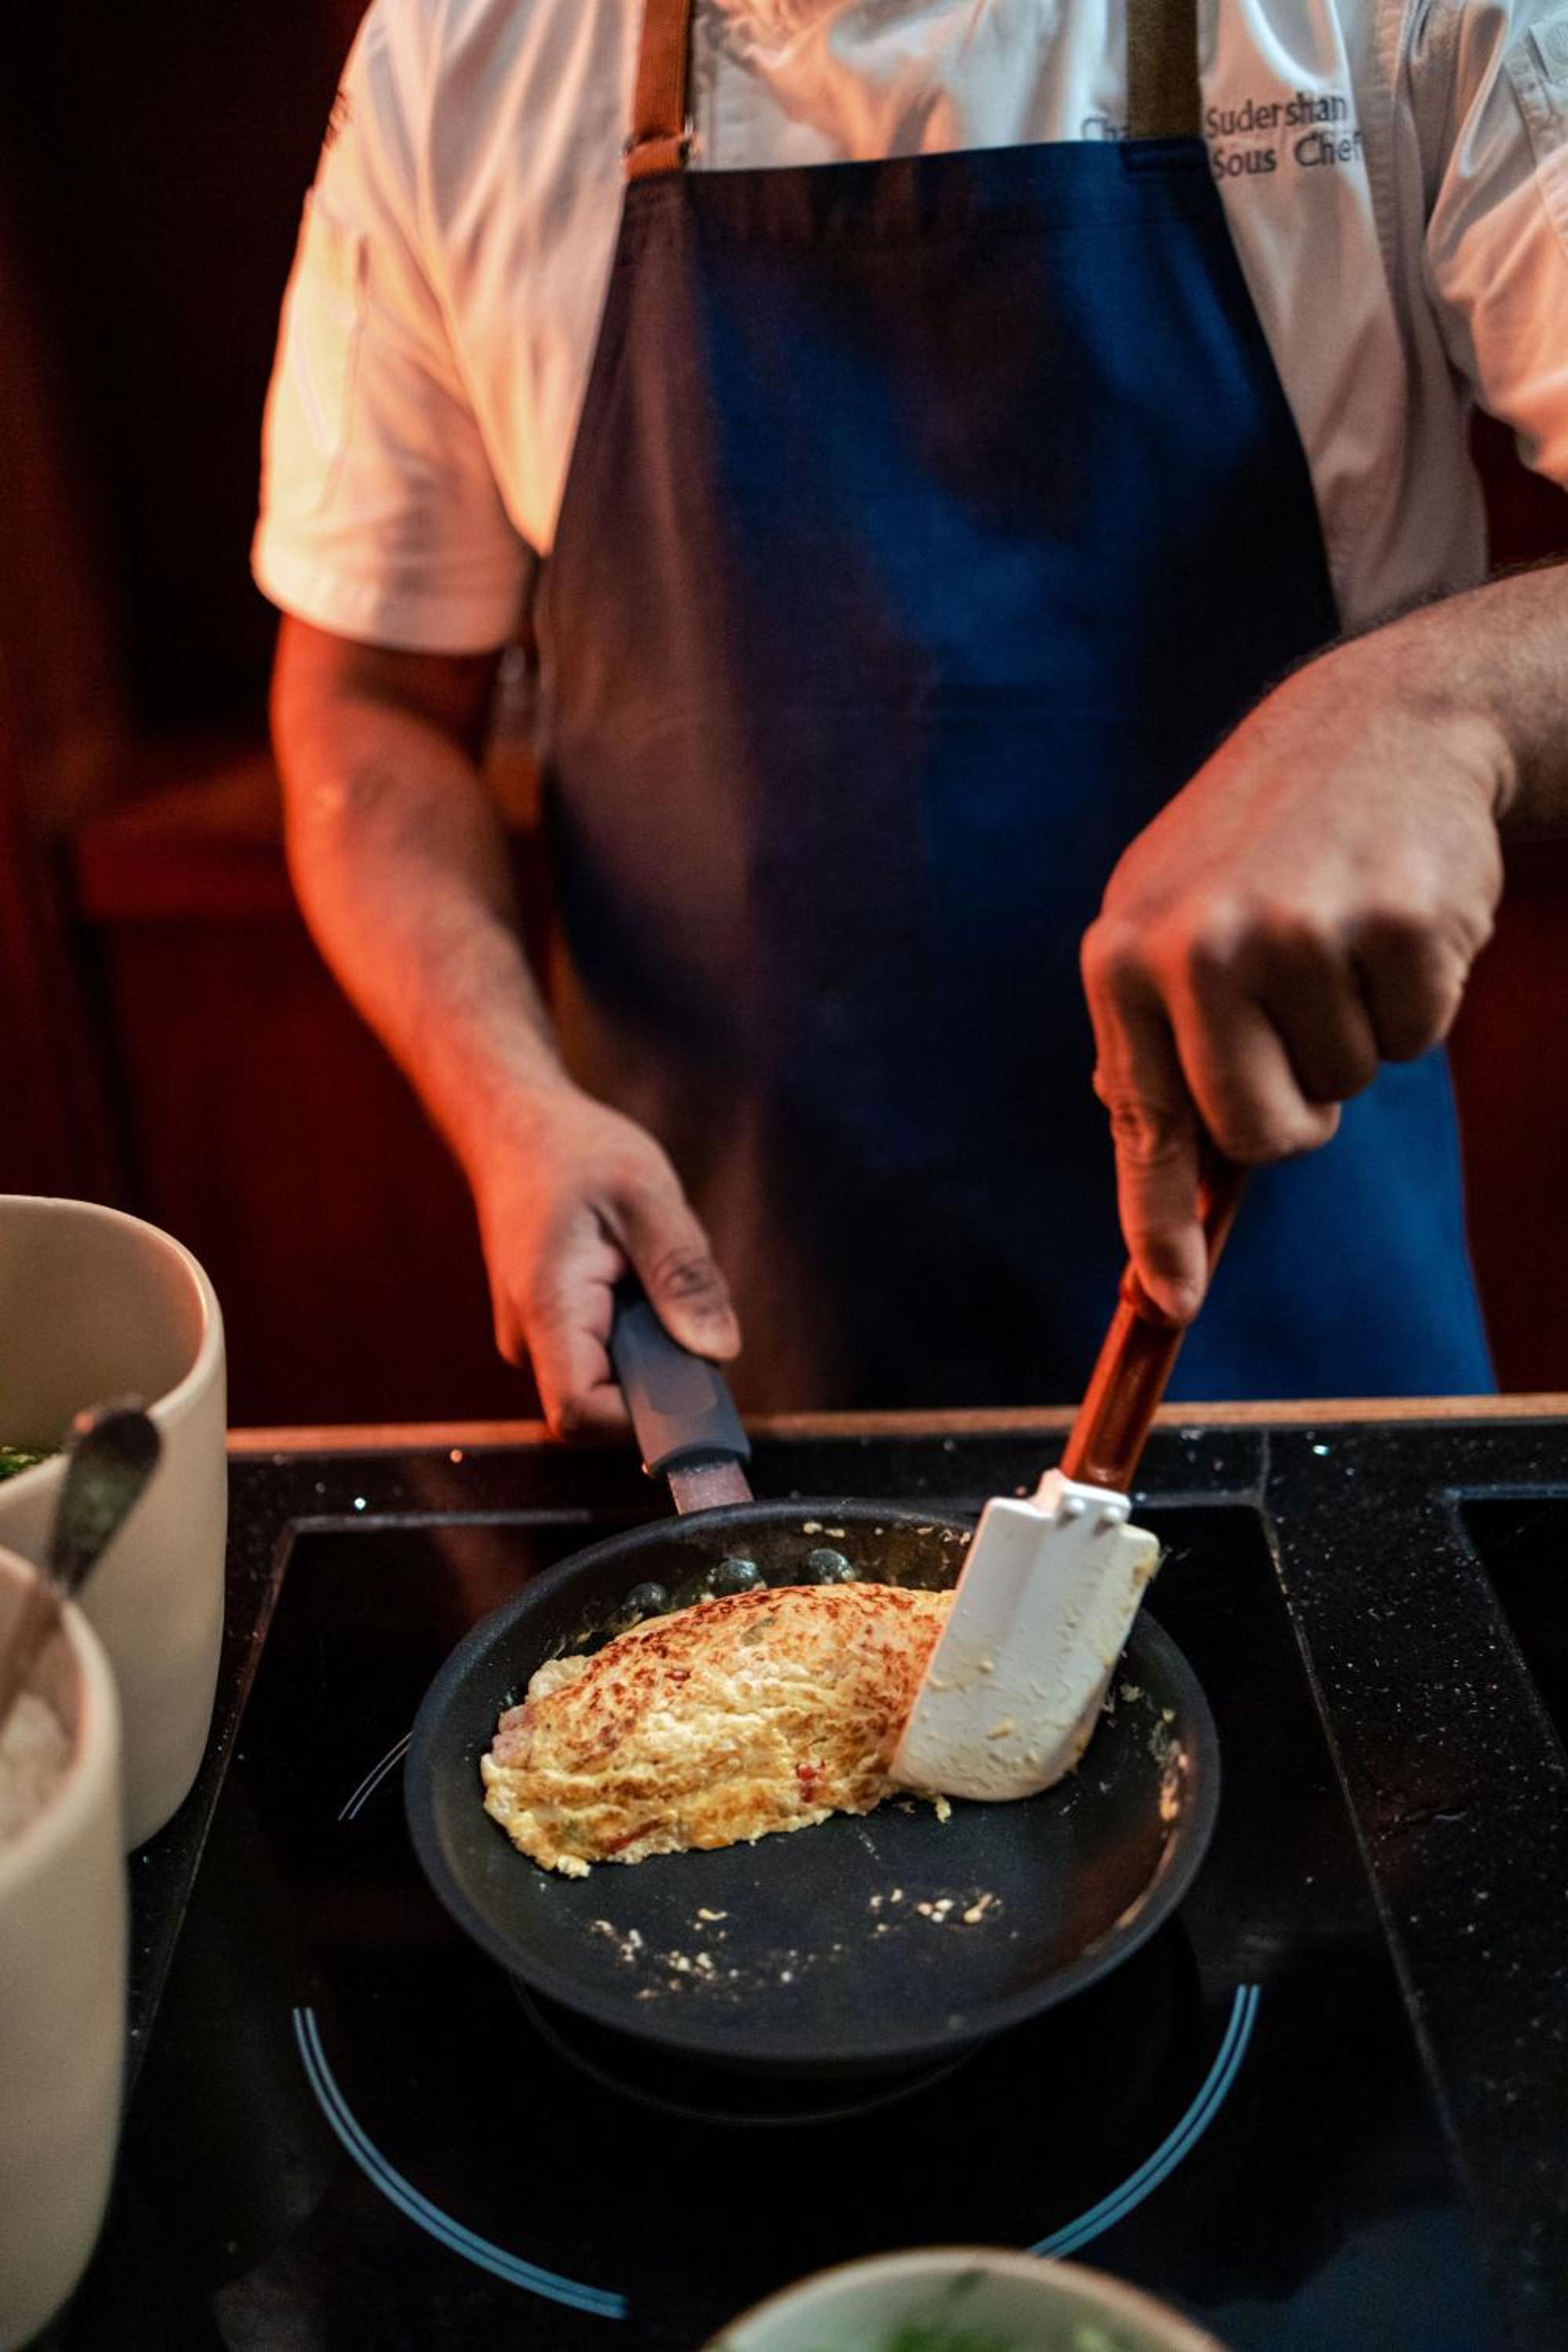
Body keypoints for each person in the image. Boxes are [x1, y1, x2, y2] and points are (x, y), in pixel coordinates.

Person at [254, 0, 1568, 1434]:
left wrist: (1429, 707)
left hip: (1301, 1346)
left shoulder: (1402, 24)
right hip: (723, 1363)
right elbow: (368, 704)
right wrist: (506, 1101)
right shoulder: (458, 50)